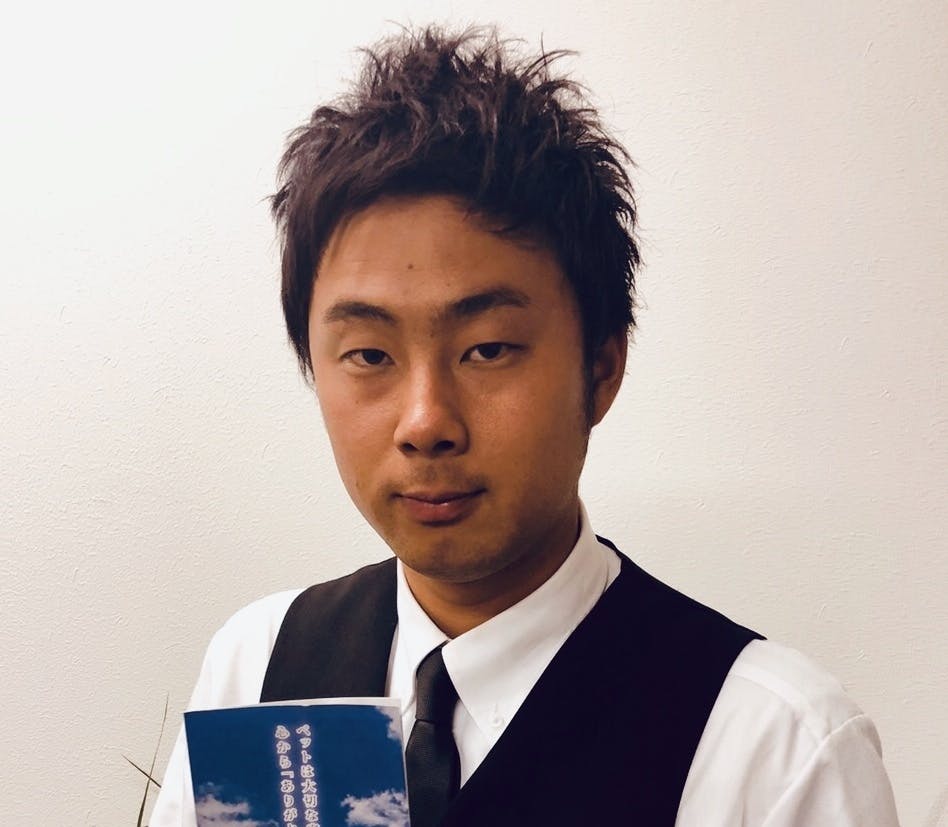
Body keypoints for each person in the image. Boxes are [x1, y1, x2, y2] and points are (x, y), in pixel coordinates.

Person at [150, 25, 900, 827]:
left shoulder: (776, 752)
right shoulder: (258, 668)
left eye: (487, 349)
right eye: (369, 354)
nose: (425, 421)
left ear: (601, 367)